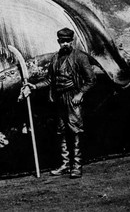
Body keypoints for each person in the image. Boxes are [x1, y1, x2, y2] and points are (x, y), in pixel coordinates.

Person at [24, 27, 96, 178]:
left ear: (72, 41)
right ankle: (65, 164)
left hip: (73, 97)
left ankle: (76, 166)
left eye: (68, 41)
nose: (65, 44)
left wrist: (80, 93)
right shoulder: (55, 58)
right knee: (61, 131)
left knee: (75, 131)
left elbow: (91, 80)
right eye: (62, 41)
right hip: (59, 98)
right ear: (58, 42)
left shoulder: (80, 57)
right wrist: (34, 86)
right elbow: (50, 80)